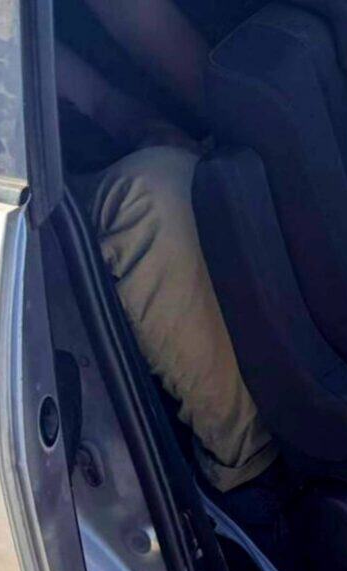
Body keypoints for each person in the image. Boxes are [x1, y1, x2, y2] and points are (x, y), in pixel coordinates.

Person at [56, 0, 280, 494]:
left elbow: (100, 102)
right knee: (151, 196)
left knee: (193, 172)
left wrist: (151, 130)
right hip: (28, 211)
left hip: (84, 160)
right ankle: (251, 475)